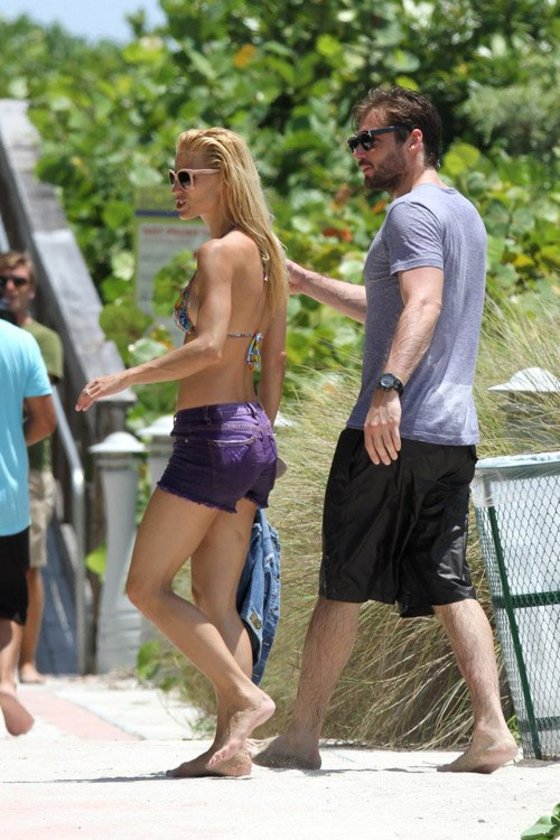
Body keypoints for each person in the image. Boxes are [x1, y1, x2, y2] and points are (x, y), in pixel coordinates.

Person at [253, 86, 518, 774]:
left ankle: (302, 735)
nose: (359, 153)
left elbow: (423, 304)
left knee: (342, 576)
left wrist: (387, 391)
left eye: (370, 139)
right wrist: (306, 281)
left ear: (414, 139)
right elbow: (394, 306)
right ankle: (491, 729)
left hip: (394, 429)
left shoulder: (410, 212)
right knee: (447, 579)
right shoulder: (461, 212)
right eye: (356, 141)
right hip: (451, 431)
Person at [76, 127, 288, 777]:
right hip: (251, 434)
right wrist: (257, 435)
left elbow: (210, 346)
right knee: (216, 600)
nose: (176, 187)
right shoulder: (266, 254)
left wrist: (126, 377)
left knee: (144, 585)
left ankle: (245, 699)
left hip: (211, 436)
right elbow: (273, 360)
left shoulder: (218, 253)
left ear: (224, 179)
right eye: (172, 176)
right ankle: (232, 750)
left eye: (187, 177)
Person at [0, 251, 64, 685]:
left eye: (18, 281)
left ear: (32, 289)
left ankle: (27, 660)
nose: (10, 288)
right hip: (14, 464)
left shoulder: (42, 339)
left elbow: (38, 407)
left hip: (33, 468)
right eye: (3, 280)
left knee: (30, 567)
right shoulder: (20, 343)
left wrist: (8, 444)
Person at [0, 315, 56, 735]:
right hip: (7, 496)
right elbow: (46, 421)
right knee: (8, 602)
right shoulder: (20, 342)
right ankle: (5, 681)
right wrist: (12, 446)